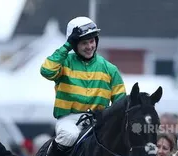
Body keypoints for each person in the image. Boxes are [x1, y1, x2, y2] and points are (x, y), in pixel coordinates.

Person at [40, 16, 126, 148]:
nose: (89, 46)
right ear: (74, 44)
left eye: (92, 41)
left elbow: (120, 103)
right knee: (70, 136)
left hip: (99, 121)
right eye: (84, 43)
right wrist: (67, 46)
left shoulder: (110, 69)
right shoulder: (64, 63)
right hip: (69, 121)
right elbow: (46, 71)